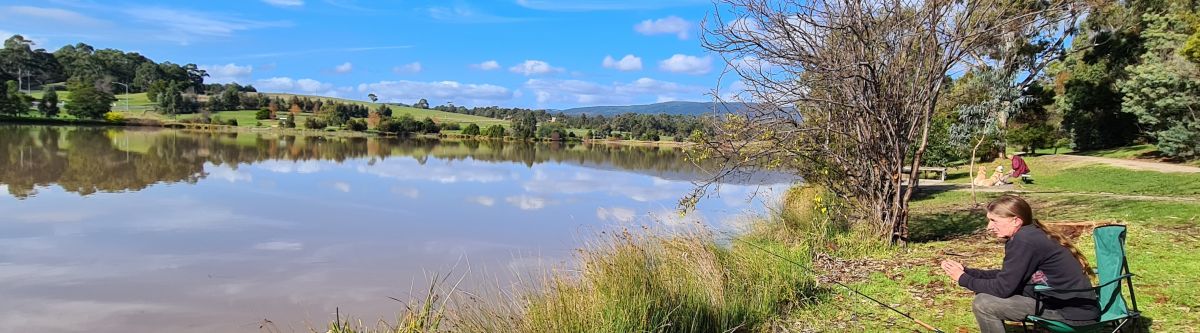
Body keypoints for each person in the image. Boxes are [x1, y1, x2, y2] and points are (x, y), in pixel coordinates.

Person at [940, 195, 1099, 333]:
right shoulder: (1031, 233)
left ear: (1016, 220)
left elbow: (1002, 288)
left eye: (994, 220)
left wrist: (963, 279)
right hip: (1079, 309)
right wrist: (969, 272)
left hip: (1070, 315)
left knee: (984, 303)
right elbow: (1010, 275)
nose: (989, 227)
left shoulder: (1024, 241)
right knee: (984, 293)